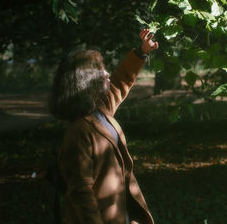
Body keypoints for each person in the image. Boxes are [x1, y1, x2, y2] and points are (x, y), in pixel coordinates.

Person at [49, 29, 158, 224]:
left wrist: (142, 52)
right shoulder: (78, 132)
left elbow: (121, 79)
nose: (107, 73)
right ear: (86, 81)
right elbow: (81, 193)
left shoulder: (100, 109)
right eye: (101, 70)